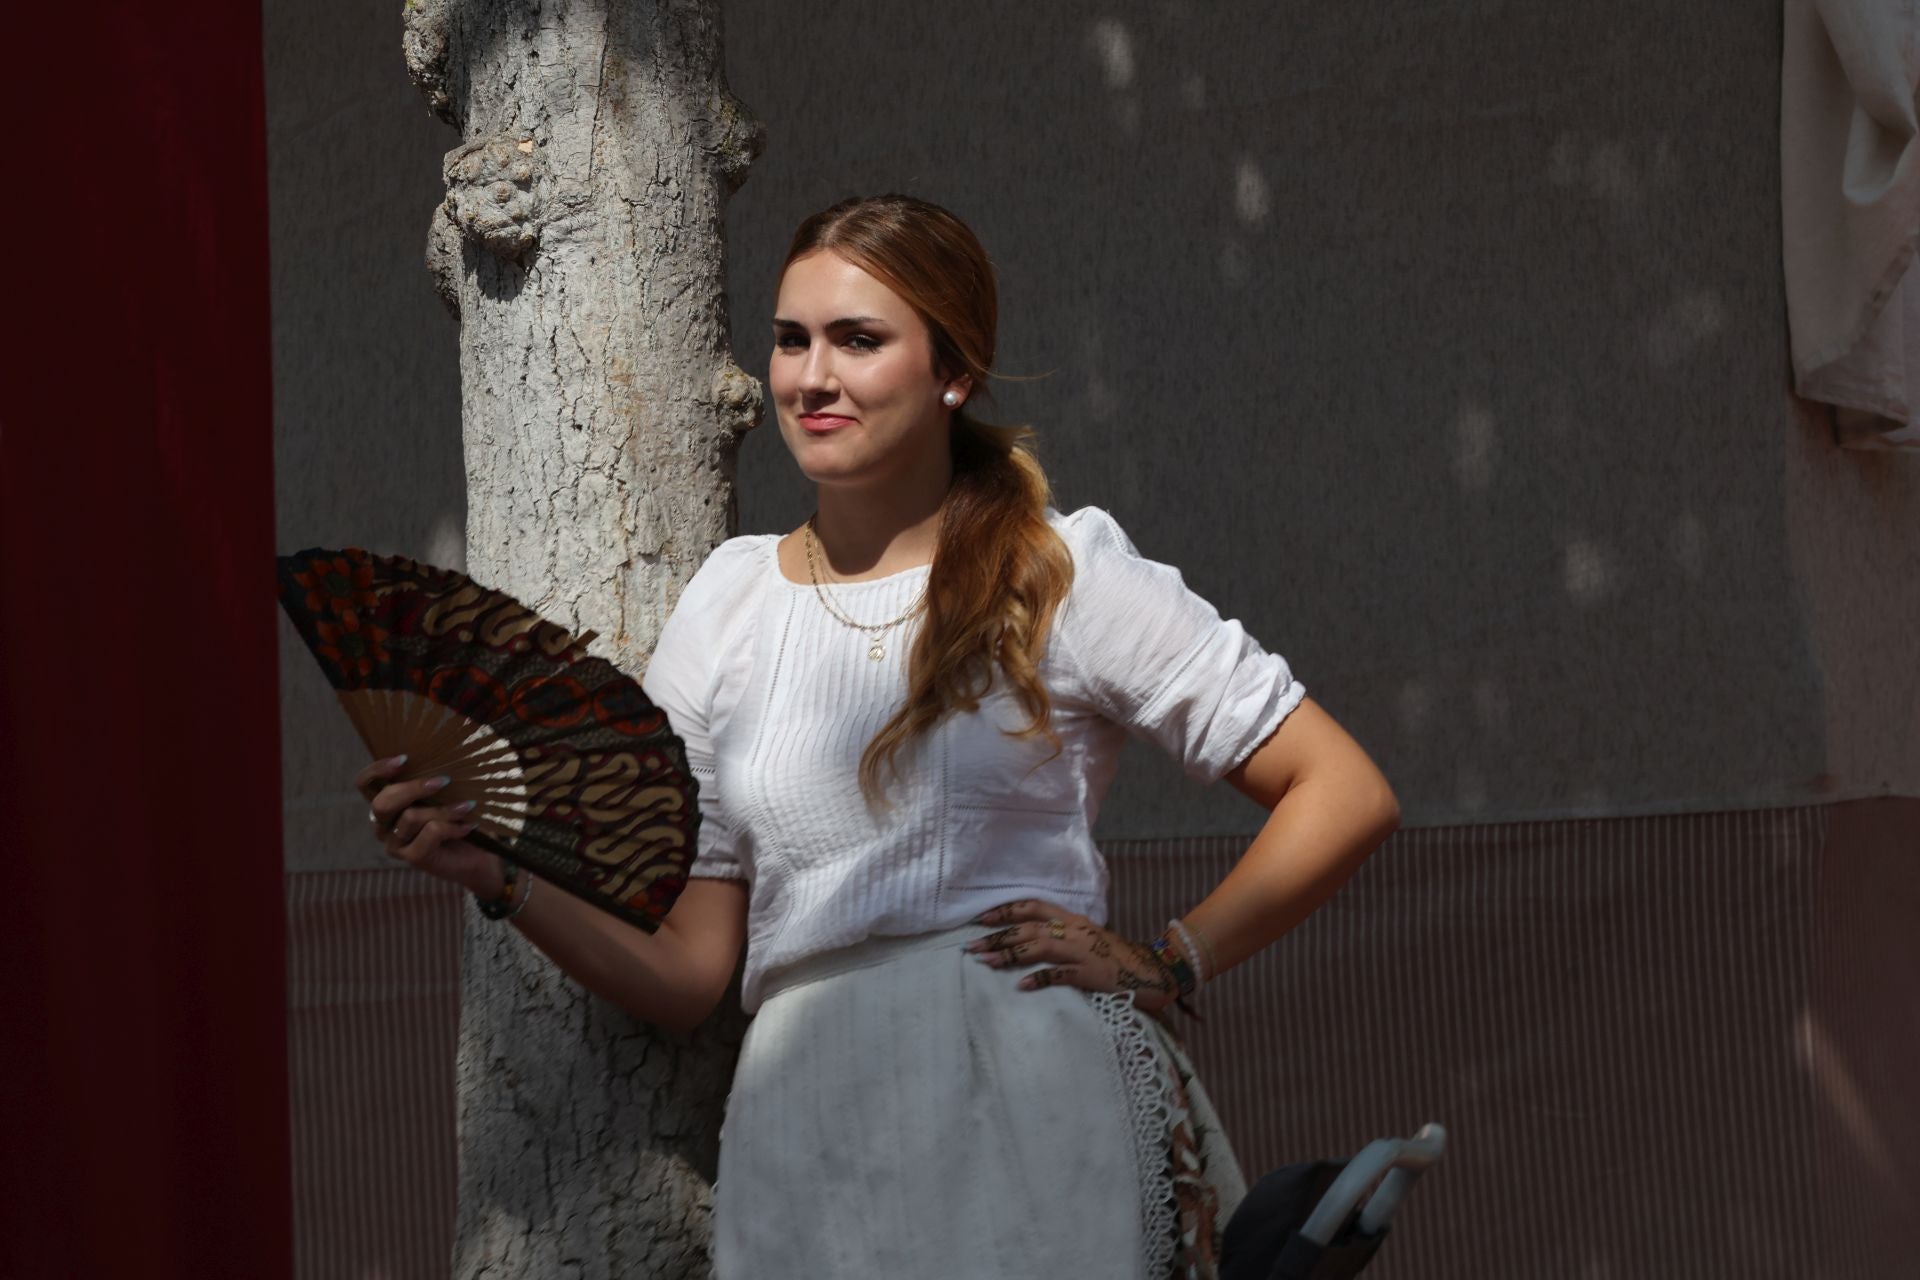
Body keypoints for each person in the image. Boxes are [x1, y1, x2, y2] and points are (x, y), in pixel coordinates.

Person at [356, 194, 1400, 1279]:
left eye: (859, 339)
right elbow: (687, 971)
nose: (812, 376)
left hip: (1031, 1094)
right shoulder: (728, 601)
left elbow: (1341, 786)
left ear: (953, 370)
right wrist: (495, 872)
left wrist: (1169, 957)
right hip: (801, 1122)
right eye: (791, 337)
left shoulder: (1060, 571)